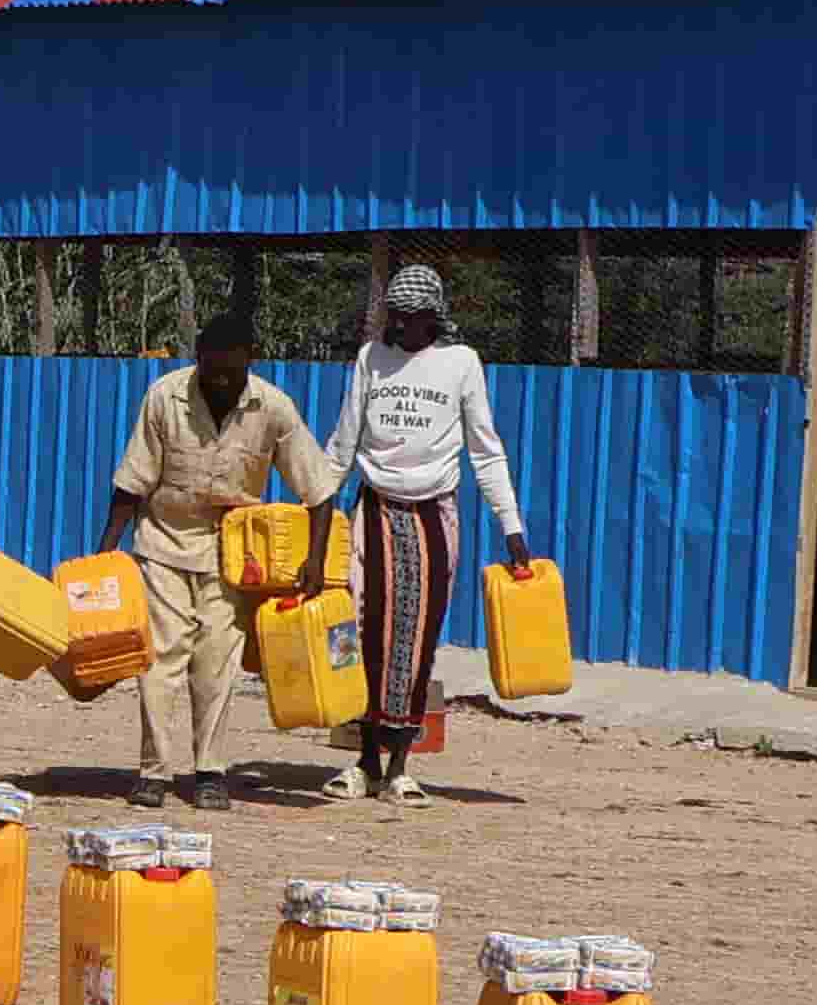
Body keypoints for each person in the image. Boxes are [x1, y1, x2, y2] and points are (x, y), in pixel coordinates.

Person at [97, 310, 338, 804]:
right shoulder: (165, 396)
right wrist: (106, 551)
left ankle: (209, 770)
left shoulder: (274, 408)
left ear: (250, 364)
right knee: (160, 660)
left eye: (232, 373)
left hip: (233, 557)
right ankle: (155, 773)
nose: (222, 382)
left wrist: (315, 560)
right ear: (198, 362)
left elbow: (319, 490)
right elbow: (132, 481)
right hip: (162, 544)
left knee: (215, 664)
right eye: (212, 372)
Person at [322, 265, 531, 805]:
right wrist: (314, 511)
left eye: (415, 318)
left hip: (432, 516)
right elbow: (343, 443)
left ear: (434, 317)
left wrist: (512, 527)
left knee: (414, 638)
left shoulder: (460, 363)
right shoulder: (371, 358)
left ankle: (399, 767)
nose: (405, 326)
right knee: (358, 628)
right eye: (397, 316)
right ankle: (360, 761)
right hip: (374, 509)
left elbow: (486, 450)